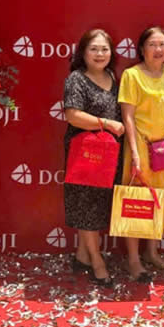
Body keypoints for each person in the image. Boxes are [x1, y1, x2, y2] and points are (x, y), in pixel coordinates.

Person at [63, 29, 125, 287]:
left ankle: (81, 257)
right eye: (94, 49)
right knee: (86, 206)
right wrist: (107, 124)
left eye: (105, 49)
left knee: (98, 205)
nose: (100, 54)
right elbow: (72, 115)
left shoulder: (113, 77)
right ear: (83, 53)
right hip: (85, 152)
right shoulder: (76, 79)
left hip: (109, 154)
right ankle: (97, 262)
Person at [118, 26, 164, 282]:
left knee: (158, 201)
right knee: (136, 203)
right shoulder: (131, 76)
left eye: (163, 44)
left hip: (163, 150)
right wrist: (134, 152)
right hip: (140, 149)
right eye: (153, 45)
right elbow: (128, 117)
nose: (158, 50)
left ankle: (152, 251)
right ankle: (133, 259)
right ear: (142, 49)